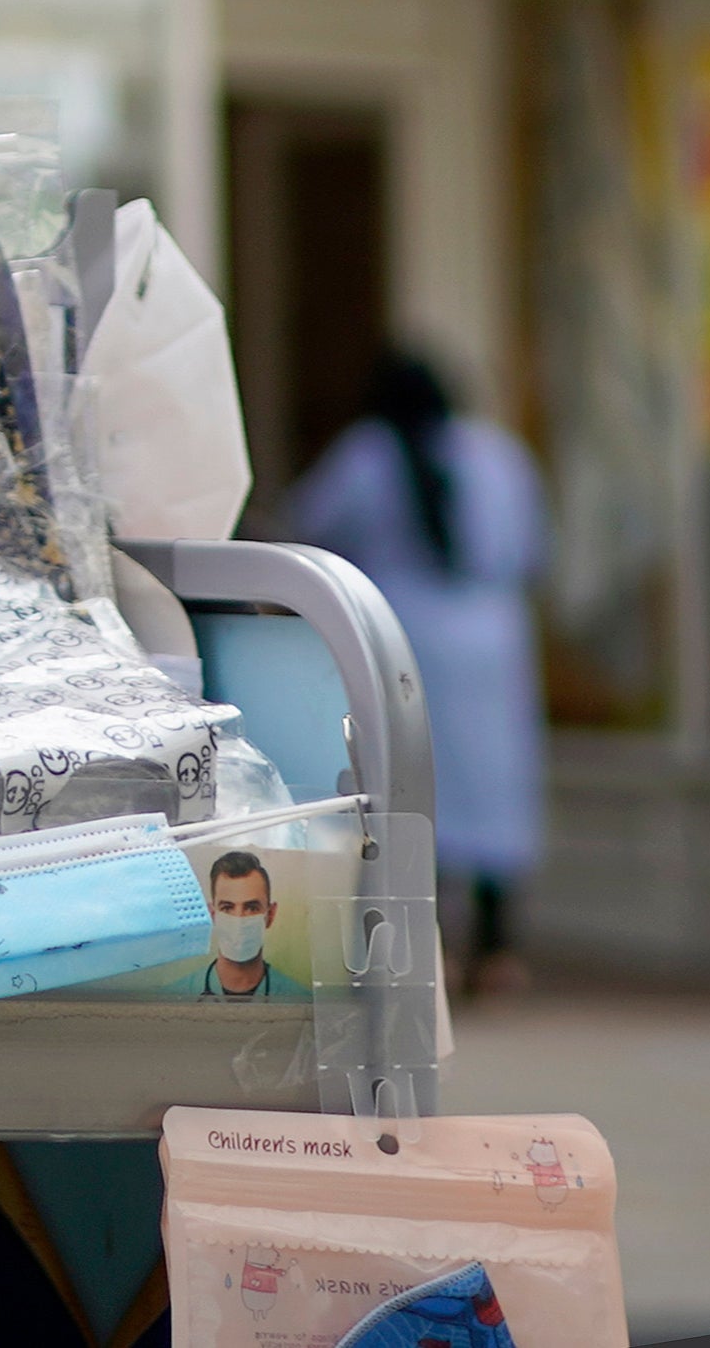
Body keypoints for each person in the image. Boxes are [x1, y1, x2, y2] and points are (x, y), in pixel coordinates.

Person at [286, 346, 546, 991]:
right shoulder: (500, 454)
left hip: (408, 638)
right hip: (493, 641)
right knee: (493, 789)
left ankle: (426, 950)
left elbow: (302, 531)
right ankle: (497, 951)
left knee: (414, 784)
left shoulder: (367, 455)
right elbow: (536, 550)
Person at [196, 847, 286, 998]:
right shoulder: (174, 995)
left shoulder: (299, 997)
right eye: (227, 908)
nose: (239, 919)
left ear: (270, 915)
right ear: (212, 915)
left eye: (251, 908)